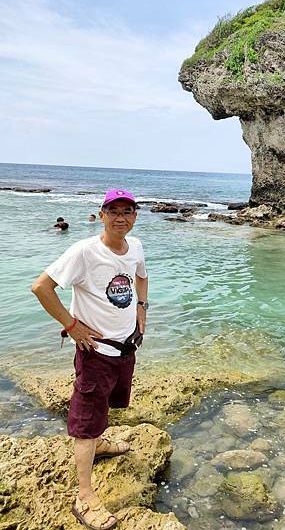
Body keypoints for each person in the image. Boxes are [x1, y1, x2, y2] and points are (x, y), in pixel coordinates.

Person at [32, 189, 148, 530]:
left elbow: (141, 275)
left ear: (135, 217)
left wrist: (142, 308)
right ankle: (84, 496)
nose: (121, 218)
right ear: (102, 215)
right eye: (114, 212)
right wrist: (71, 325)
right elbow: (41, 287)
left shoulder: (136, 246)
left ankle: (99, 442)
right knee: (85, 422)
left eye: (128, 211)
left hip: (125, 348)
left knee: (106, 405)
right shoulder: (84, 252)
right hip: (94, 353)